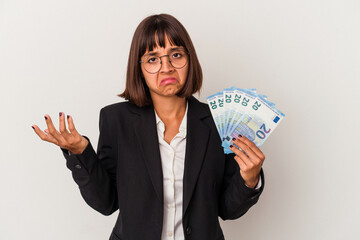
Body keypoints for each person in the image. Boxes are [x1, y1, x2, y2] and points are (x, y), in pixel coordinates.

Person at [32, 13, 265, 240]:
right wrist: (80, 153)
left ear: (189, 59)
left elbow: (228, 210)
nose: (167, 68)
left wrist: (249, 179)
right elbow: (106, 203)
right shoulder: (116, 120)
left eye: (176, 55)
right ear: (139, 69)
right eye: (153, 59)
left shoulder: (219, 123)